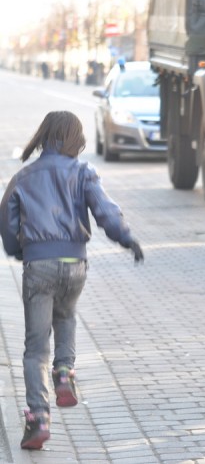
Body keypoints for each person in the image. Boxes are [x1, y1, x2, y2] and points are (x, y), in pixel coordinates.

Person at [0, 111, 144, 450]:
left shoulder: (23, 177)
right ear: (76, 139)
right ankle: (64, 372)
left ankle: (38, 418)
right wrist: (127, 239)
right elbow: (105, 211)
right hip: (75, 263)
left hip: (39, 264)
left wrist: (19, 250)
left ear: (43, 135)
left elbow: (6, 219)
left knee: (36, 347)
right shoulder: (83, 172)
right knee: (66, 316)